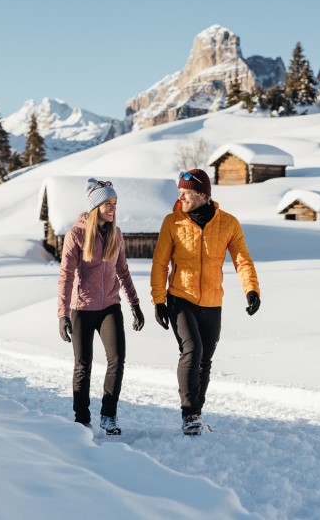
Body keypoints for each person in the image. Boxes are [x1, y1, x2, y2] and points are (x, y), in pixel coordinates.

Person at [150, 169, 260, 435]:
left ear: (201, 194)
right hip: (180, 298)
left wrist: (251, 290)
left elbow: (242, 259)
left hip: (212, 301)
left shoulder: (228, 223)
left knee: (205, 360)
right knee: (192, 350)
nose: (181, 197)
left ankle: (196, 412)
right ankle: (189, 414)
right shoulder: (172, 222)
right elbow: (160, 262)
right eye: (180, 192)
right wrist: (158, 299)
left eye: (185, 193)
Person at [58, 178, 144, 435]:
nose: (112, 208)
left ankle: (108, 415)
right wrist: (63, 314)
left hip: (110, 306)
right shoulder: (77, 235)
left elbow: (123, 271)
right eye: (107, 203)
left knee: (117, 359)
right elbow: (66, 276)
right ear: (96, 207)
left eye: (115, 203)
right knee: (83, 364)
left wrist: (135, 304)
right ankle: (82, 418)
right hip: (82, 308)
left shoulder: (116, 234)